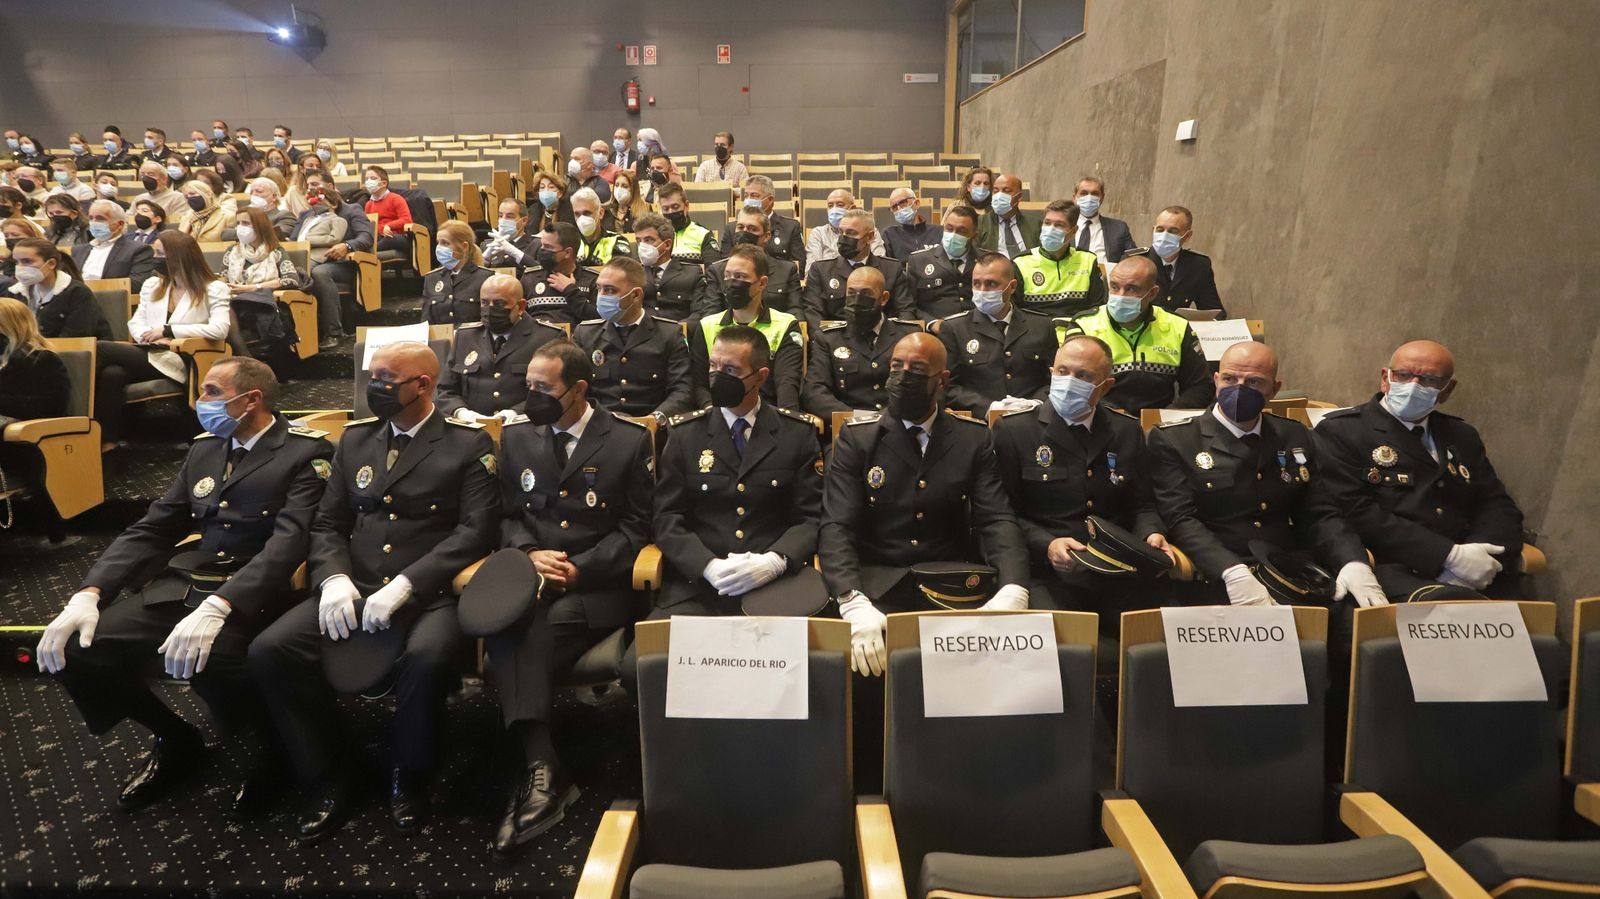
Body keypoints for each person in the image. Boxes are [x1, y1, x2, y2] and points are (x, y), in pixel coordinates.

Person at [35, 358, 332, 815]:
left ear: (251, 399)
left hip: (257, 591)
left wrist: (222, 604)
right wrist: (90, 592)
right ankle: (176, 739)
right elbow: (154, 528)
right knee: (78, 649)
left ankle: (274, 749)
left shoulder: (304, 452)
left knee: (220, 660)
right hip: (189, 581)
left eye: (212, 392)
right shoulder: (206, 449)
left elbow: (287, 545)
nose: (199, 402)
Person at [248, 342, 499, 843]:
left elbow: (476, 531)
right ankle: (330, 771)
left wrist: (409, 582)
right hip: (356, 582)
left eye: (386, 379)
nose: (374, 387)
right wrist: (332, 577)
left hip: (430, 590)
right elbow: (328, 523)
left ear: (423, 385)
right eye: (372, 377)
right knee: (270, 650)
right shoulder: (356, 439)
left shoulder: (468, 444)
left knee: (427, 657)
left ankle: (411, 773)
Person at [820, 331, 1028, 789]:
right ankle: (872, 790)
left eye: (916, 370)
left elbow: (995, 518)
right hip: (878, 588)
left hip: (949, 585)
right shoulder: (858, 439)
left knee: (979, 683)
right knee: (867, 676)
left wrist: (1014, 586)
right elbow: (837, 527)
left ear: (942, 380)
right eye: (896, 366)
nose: (902, 376)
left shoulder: (972, 439)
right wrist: (851, 600)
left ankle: (961, 784)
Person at [485, 340, 654, 858]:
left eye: (543, 388)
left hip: (597, 587)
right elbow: (508, 514)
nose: (530, 396)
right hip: (533, 578)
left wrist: (582, 569)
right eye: (528, 385)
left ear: (578, 389)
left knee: (515, 639)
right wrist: (529, 553)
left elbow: (639, 526)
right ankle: (546, 769)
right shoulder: (517, 437)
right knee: (513, 628)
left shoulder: (627, 440)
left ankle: (540, 772)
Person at [1146, 341, 1385, 607]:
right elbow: (1180, 518)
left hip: (1291, 568)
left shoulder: (1293, 434)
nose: (1238, 388)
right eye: (1229, 379)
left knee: (1359, 616)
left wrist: (1351, 560)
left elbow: (1319, 511)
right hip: (1219, 574)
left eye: (1253, 382)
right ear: (1215, 380)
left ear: (1274, 388)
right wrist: (1229, 570)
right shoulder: (1176, 439)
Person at [629, 325, 825, 649]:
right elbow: (666, 518)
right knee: (643, 662)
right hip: (700, 586)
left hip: (774, 585)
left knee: (796, 663)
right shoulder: (684, 434)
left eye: (731, 370)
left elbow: (811, 517)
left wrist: (776, 561)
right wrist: (706, 566)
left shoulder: (796, 434)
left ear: (761, 376)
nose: (717, 377)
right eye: (713, 367)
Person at [1312, 340, 1525, 600]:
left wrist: (1478, 556)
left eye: (1429, 380)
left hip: (1472, 569)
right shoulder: (1343, 432)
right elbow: (1355, 511)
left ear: (1447, 390)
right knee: (1455, 609)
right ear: (1385, 379)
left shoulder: (1461, 435)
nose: (1413, 385)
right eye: (1403, 375)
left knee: (1530, 620)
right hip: (1394, 566)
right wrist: (1447, 556)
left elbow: (1495, 503)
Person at [992, 335, 1173, 621]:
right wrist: (1047, 544)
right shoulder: (1015, 430)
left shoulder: (1126, 430)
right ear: (1051, 373)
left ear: (1106, 386)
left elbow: (1142, 505)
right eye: (1063, 372)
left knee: (1154, 632)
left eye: (1083, 376)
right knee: (1068, 638)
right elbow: (1003, 514)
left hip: (1117, 567)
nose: (1069, 382)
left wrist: (1151, 533)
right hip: (1049, 571)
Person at [97, 231, 231, 442]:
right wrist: (149, 337)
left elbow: (220, 329)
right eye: (155, 253)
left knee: (100, 348)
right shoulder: (153, 285)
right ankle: (108, 443)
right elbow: (136, 322)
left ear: (180, 257)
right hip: (151, 350)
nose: (155, 258)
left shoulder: (213, 288)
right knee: (112, 374)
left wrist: (169, 331)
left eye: (161, 254)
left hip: (185, 357)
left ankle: (76, 413)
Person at [1062, 255, 1213, 412]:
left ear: (1152, 293)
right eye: (1114, 287)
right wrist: (1111, 416)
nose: (1120, 296)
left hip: (1160, 420)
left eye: (1131, 289)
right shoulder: (1084, 324)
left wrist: (1167, 416)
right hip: (1102, 418)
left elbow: (1201, 385)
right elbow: (1073, 385)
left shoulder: (1177, 326)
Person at [573, 256, 695, 421]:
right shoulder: (585, 333)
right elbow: (575, 388)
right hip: (600, 425)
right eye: (599, 288)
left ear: (636, 295)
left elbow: (682, 390)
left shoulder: (669, 334)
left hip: (651, 427)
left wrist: (655, 419)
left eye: (610, 290)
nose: (601, 296)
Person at [936, 251, 1059, 415]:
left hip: (1032, 419)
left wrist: (1036, 402)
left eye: (991, 284)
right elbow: (947, 386)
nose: (982, 290)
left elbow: (1055, 379)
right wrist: (989, 407)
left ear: (1012, 286)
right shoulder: (954, 328)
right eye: (976, 284)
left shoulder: (1042, 325)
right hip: (979, 422)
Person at [435, 274, 567, 422]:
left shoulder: (548, 337)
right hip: (471, 427)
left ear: (521, 306)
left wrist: (514, 414)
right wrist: (462, 413)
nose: (490, 309)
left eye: (499, 303)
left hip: (525, 426)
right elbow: (446, 390)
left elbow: (555, 391)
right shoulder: (465, 336)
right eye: (484, 303)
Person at [801, 264, 925, 420]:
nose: (857, 300)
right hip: (848, 425)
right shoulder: (828, 338)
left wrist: (890, 419)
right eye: (851, 293)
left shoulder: (908, 336)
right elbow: (814, 392)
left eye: (866, 293)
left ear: (884, 298)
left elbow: (923, 388)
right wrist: (858, 418)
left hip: (900, 423)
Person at [687, 245, 803, 410]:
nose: (731, 282)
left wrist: (782, 421)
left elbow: (787, 383)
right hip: (719, 413)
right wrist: (714, 414)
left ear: (762, 283)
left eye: (740, 276)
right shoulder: (707, 324)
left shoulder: (786, 325)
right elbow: (700, 385)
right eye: (727, 276)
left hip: (767, 413)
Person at [800, 208, 914, 330]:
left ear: (870, 237)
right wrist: (826, 339)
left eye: (851, 233)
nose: (843, 238)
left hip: (882, 336)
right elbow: (813, 313)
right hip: (836, 337)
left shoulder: (891, 269)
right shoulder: (821, 270)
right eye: (841, 232)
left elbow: (905, 310)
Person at [220, 207, 307, 360]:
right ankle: (245, 357)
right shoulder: (232, 251)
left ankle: (245, 357)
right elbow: (223, 278)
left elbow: (291, 279)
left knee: (225, 310)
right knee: (221, 308)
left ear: (259, 225)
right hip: (234, 300)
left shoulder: (275, 250)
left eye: (246, 223)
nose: (240, 228)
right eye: (238, 223)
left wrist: (254, 287)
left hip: (263, 303)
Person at [301, 174, 375, 347]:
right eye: (309, 187)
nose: (312, 190)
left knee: (319, 273)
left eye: (316, 185)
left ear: (330, 187)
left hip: (344, 263)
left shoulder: (351, 210)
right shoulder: (308, 216)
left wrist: (347, 246)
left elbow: (366, 237)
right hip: (310, 259)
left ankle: (334, 332)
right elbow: (294, 238)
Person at [1013, 199, 1107, 316]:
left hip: (1076, 325)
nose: (1050, 229)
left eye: (1059, 225)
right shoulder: (1020, 262)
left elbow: (1096, 308)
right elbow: (1015, 311)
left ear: (1073, 231)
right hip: (1036, 325)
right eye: (1047, 223)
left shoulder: (1088, 260)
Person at [706, 207, 803, 316]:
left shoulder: (787, 270)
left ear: (766, 236)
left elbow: (796, 312)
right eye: (740, 227)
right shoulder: (717, 271)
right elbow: (711, 314)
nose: (744, 232)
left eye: (752, 229)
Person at [7, 238, 109, 339]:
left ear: (51, 263)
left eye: (27, 261)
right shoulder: (15, 292)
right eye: (16, 262)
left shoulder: (77, 292)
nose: (20, 267)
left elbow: (76, 337)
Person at [1134, 205, 1224, 314]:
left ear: (1187, 236)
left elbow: (1215, 311)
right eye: (1160, 230)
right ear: (1153, 230)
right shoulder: (1135, 261)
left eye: (1173, 231)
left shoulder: (1198, 266)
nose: (1164, 236)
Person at [631, 212, 710, 321]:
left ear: (667, 244)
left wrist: (677, 329)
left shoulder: (692, 273)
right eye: (639, 241)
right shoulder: (633, 274)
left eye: (648, 240)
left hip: (678, 329)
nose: (642, 246)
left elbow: (698, 314)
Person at [517, 222, 598, 326]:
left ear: (567, 252)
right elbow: (518, 316)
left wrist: (571, 291)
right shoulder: (530, 277)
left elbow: (599, 320)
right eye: (542, 245)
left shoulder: (592, 280)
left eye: (548, 247)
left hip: (577, 335)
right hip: (538, 334)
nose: (542, 250)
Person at [906, 206, 979, 319]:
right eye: (949, 229)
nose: (953, 235)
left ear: (973, 235)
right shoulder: (919, 260)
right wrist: (931, 323)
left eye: (961, 231)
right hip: (936, 326)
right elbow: (910, 306)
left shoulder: (986, 261)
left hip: (976, 325)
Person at [717, 174, 804, 267]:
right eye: (746, 196)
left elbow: (798, 266)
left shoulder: (790, 228)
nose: (748, 200)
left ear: (770, 200)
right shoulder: (731, 228)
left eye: (754, 196)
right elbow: (724, 265)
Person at [421, 220, 493, 326]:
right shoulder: (432, 278)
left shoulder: (485, 277)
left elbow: (489, 321)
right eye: (438, 242)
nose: (439, 248)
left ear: (464, 246)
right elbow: (426, 323)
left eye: (445, 243)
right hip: (441, 336)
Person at [72, 200, 156, 290]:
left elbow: (137, 284)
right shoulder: (78, 250)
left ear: (120, 224)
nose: (94, 222)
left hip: (110, 297)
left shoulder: (138, 250)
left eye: (100, 218)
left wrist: (95, 286)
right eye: (91, 218)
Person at [804, 188, 885, 264]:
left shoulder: (869, 231)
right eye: (830, 206)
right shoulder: (818, 233)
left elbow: (880, 263)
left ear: (852, 208)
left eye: (840, 205)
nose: (834, 209)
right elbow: (812, 268)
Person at [1070, 176, 1137, 264]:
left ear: (1102, 198)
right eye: (1084, 193)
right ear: (1074, 198)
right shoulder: (1064, 227)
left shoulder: (1119, 228)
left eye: (1095, 194)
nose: (1089, 198)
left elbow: (1132, 257)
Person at [974, 173, 1038, 258]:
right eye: (996, 191)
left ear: (1019, 196)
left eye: (1006, 191)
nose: (999, 196)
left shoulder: (1035, 226)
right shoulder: (979, 223)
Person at [655, 182, 717, 264]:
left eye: (675, 207)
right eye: (665, 209)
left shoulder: (703, 234)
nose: (670, 212)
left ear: (686, 206)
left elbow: (713, 269)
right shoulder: (655, 236)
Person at [570, 187, 628, 265]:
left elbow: (623, 271)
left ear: (600, 213)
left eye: (587, 213)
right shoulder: (569, 243)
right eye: (577, 214)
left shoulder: (617, 241)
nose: (582, 218)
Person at [224, 178, 296, 240]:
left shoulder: (284, 215)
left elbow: (277, 233)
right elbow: (225, 233)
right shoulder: (244, 215)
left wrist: (244, 232)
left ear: (274, 197)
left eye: (259, 191)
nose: (254, 195)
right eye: (251, 192)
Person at [363, 165, 413, 254]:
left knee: (392, 239)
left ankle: (369, 251)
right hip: (378, 237)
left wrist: (389, 225)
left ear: (384, 183)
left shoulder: (396, 198)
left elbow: (407, 220)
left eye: (373, 178)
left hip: (396, 236)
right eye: (367, 179)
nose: (368, 181)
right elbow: (369, 226)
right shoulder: (368, 204)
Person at [880, 187, 938, 262]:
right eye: (894, 207)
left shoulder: (938, 232)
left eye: (903, 202)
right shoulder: (889, 235)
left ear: (916, 203)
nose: (899, 209)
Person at [481, 198, 538, 268]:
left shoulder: (536, 244)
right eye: (500, 216)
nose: (503, 220)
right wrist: (484, 259)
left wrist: (515, 253)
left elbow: (542, 271)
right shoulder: (487, 245)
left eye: (509, 217)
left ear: (524, 221)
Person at [603, 169, 648, 235]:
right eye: (617, 185)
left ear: (633, 190)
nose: (619, 190)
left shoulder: (643, 212)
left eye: (625, 186)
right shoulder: (606, 210)